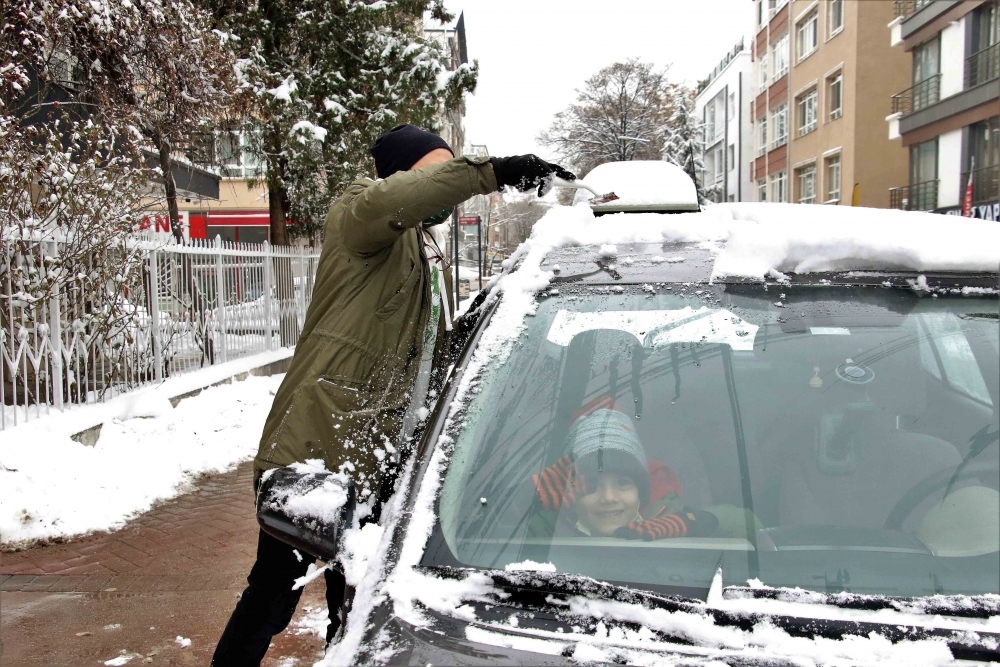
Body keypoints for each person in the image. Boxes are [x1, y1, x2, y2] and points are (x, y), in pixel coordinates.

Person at [211, 125, 577, 666]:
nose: (444, 185)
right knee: (273, 592)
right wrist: (490, 172)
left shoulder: (418, 246)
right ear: (400, 175)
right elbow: (403, 197)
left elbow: (419, 348)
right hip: (320, 446)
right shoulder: (359, 215)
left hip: (376, 452)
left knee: (354, 594)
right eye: (435, 171)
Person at [529, 396, 757, 540]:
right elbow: (494, 520)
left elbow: (749, 525)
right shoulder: (550, 526)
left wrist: (691, 522)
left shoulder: (665, 518)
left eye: (623, 483)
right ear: (569, 491)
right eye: (592, 485)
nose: (609, 497)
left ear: (641, 491)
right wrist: (526, 499)